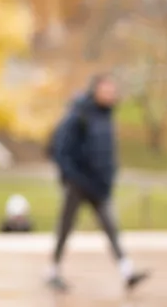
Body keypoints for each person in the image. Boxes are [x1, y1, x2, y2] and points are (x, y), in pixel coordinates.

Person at [46, 73, 149, 292]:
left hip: (100, 186)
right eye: (107, 91)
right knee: (66, 227)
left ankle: (127, 271)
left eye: (113, 91)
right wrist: (73, 176)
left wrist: (110, 176)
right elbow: (60, 149)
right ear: (96, 91)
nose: (111, 95)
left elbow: (107, 152)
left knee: (111, 228)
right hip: (79, 183)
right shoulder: (79, 115)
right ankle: (53, 270)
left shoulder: (106, 116)